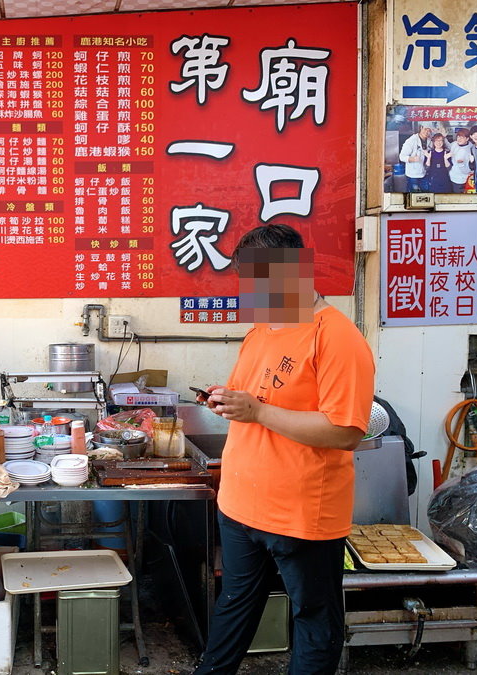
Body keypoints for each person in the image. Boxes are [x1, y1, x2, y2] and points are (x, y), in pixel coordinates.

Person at [194, 224, 375, 675]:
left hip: (300, 514)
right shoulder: (262, 330)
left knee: (314, 622)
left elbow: (345, 431)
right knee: (233, 609)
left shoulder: (335, 336)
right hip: (240, 506)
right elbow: (257, 399)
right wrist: (229, 402)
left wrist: (255, 412)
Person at [399, 125, 432, 192]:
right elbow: (401, 157)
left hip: (424, 174)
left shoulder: (429, 141)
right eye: (425, 129)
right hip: (413, 176)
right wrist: (413, 159)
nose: (427, 132)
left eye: (429, 130)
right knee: (414, 197)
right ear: (421, 128)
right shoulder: (411, 140)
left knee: (425, 195)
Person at [448, 129, 474, 194]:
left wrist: (461, 164)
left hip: (460, 180)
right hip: (451, 176)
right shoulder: (454, 144)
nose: (459, 139)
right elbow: (448, 146)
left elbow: (468, 170)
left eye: (462, 137)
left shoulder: (470, 150)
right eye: (458, 137)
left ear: (467, 138)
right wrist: (444, 137)